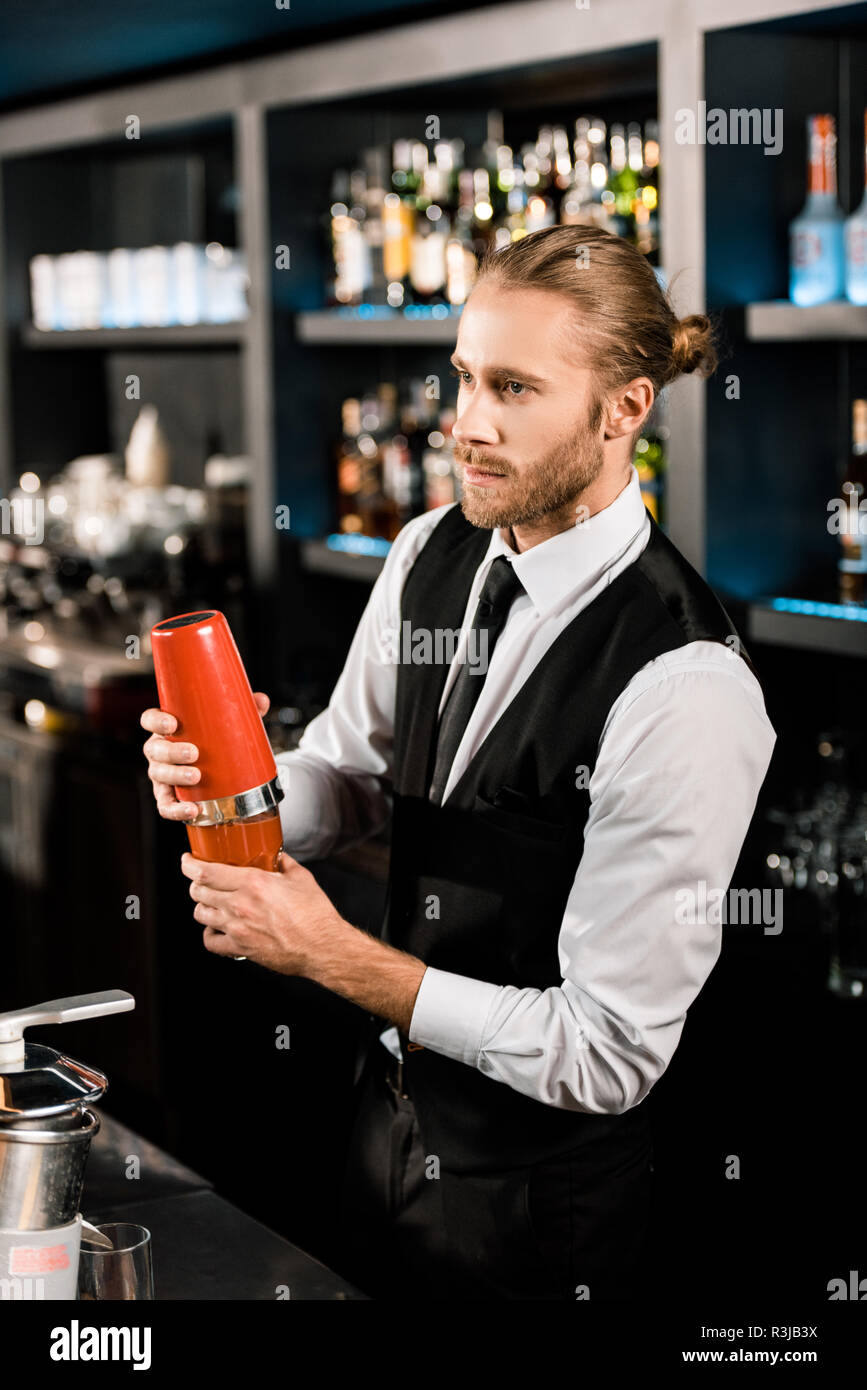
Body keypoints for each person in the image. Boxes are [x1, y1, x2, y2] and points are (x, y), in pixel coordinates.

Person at [141, 224, 776, 1301]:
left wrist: (334, 958)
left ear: (625, 408)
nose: (466, 427)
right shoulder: (429, 552)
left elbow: (608, 1050)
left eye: (516, 390)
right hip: (378, 1136)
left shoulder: (686, 685)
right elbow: (347, 774)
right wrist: (240, 781)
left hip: (542, 1215)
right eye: (465, 378)